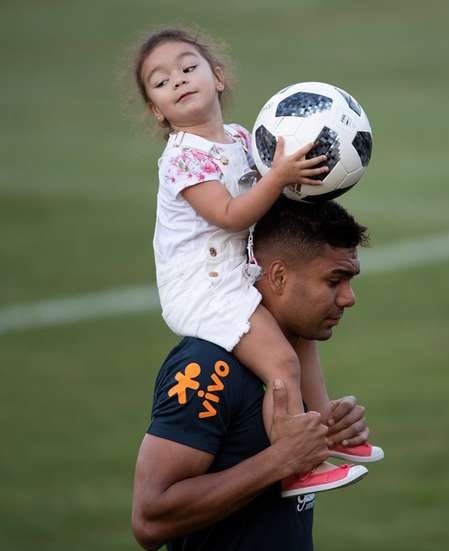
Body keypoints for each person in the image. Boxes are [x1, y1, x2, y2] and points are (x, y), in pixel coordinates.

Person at [131, 27, 381, 496]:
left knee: (301, 338)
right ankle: (295, 466)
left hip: (235, 275)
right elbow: (229, 216)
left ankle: (323, 427)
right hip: (202, 288)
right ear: (155, 109)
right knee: (281, 362)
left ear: (218, 77)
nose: (179, 81)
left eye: (188, 68)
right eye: (161, 82)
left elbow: (274, 196)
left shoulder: (244, 137)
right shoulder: (183, 160)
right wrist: (280, 175)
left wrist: (302, 179)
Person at [132, 198, 375, 550]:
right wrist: (280, 460)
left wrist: (329, 426)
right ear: (278, 276)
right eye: (334, 280)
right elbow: (149, 519)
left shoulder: (291, 359)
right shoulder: (205, 369)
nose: (349, 298)